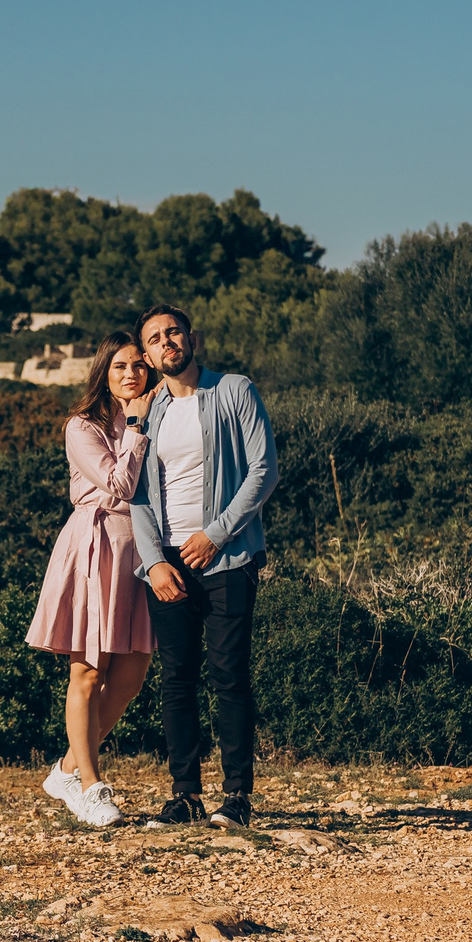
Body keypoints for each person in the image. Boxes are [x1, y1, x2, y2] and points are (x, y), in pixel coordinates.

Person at [128, 303, 279, 828]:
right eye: (154, 339)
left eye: (173, 332)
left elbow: (264, 470)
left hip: (228, 556)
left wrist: (216, 535)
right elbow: (136, 492)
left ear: (191, 338)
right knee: (177, 679)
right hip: (167, 563)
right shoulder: (150, 411)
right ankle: (186, 796)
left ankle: (237, 797)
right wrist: (153, 562)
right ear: (148, 356)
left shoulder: (233, 390)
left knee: (229, 674)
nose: (166, 342)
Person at [26, 330, 159, 826]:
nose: (131, 373)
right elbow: (120, 483)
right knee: (87, 671)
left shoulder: (154, 415)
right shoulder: (82, 426)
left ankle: (65, 769)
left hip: (143, 549)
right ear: (103, 372)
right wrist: (137, 426)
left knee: (130, 677)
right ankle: (90, 786)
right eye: (120, 365)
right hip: (97, 545)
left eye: (138, 365)